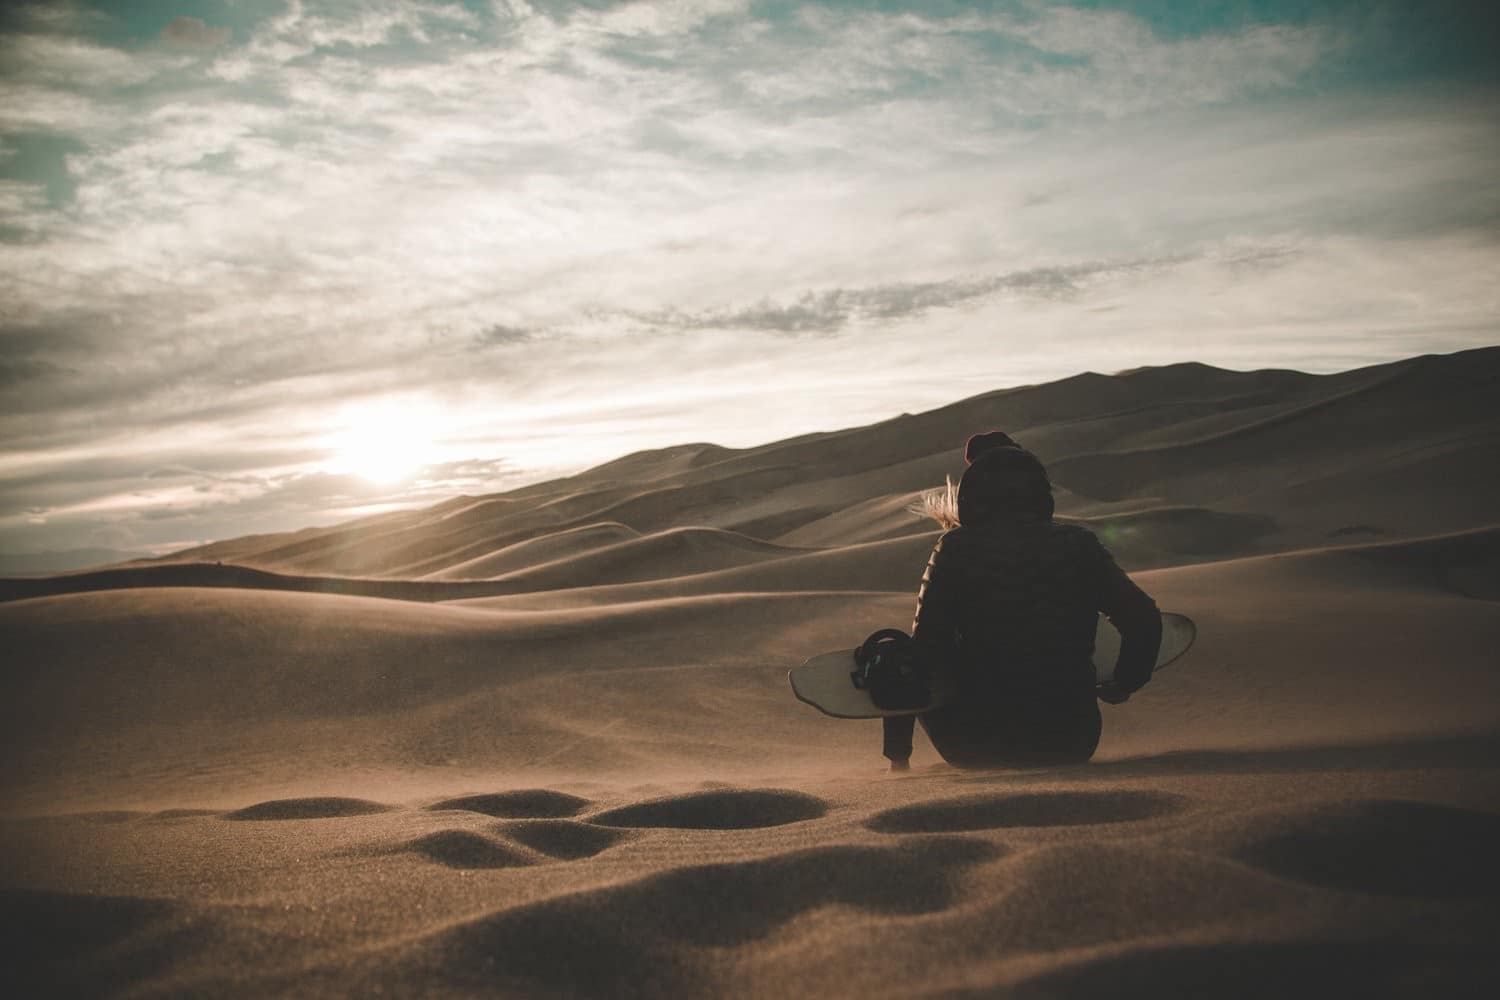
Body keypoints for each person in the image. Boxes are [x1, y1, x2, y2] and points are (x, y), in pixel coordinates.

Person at [884, 431, 1161, 770]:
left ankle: (898, 764)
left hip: (973, 743)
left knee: (900, 654)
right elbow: (1144, 619)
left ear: (972, 494)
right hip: (1072, 740)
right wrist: (1123, 684)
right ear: (1041, 494)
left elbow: (926, 651)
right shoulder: (1080, 546)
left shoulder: (956, 549)